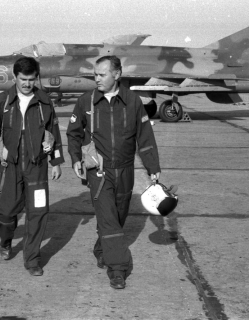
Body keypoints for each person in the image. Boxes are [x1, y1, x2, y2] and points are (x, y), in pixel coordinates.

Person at [66, 55, 161, 289]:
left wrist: (153, 168)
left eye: (101, 75)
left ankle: (101, 249)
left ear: (117, 75)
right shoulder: (85, 101)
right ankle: (117, 269)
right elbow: (74, 133)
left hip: (126, 170)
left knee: (117, 217)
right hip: (99, 171)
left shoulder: (133, 101)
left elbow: (145, 137)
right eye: (95, 74)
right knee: (108, 220)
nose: (96, 79)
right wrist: (76, 158)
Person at [0, 56, 64, 276]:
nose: (27, 84)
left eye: (31, 79)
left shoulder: (44, 101)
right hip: (10, 167)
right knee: (6, 214)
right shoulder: (3, 101)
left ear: (37, 78)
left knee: (38, 212)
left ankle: (33, 259)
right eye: (23, 79)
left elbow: (54, 132)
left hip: (37, 167)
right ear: (15, 77)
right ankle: (6, 241)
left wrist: (55, 161)